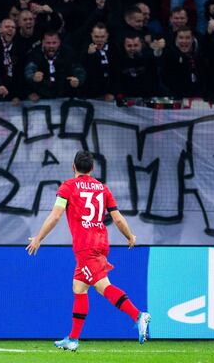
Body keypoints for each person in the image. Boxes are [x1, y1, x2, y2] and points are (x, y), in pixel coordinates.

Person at [26, 150, 151, 351]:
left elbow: (56, 215)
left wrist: (39, 238)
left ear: (73, 167)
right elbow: (117, 218)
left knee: (103, 287)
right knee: (79, 288)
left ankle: (138, 315)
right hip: (101, 242)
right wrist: (130, 236)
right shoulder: (103, 189)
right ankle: (73, 339)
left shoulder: (67, 187)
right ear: (92, 169)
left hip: (86, 246)